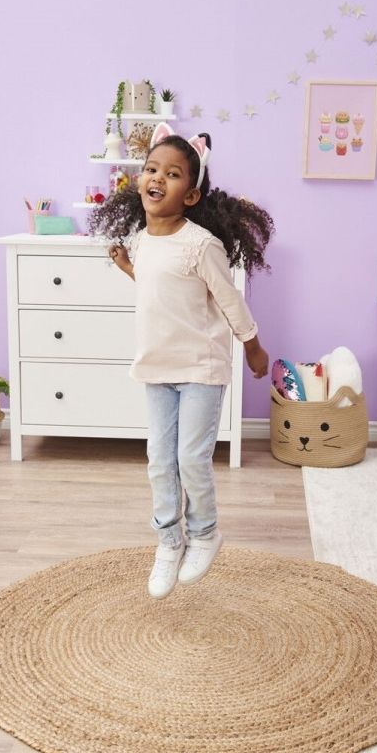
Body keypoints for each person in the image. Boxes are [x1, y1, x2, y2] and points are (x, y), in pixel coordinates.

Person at [89, 123, 274, 599]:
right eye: (152, 169)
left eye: (172, 174)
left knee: (191, 459)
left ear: (190, 196)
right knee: (159, 460)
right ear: (140, 180)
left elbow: (229, 300)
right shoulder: (142, 241)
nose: (158, 178)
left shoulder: (202, 244)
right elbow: (160, 288)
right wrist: (128, 268)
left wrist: (252, 345)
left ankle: (206, 533)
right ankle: (170, 541)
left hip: (200, 368)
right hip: (157, 366)